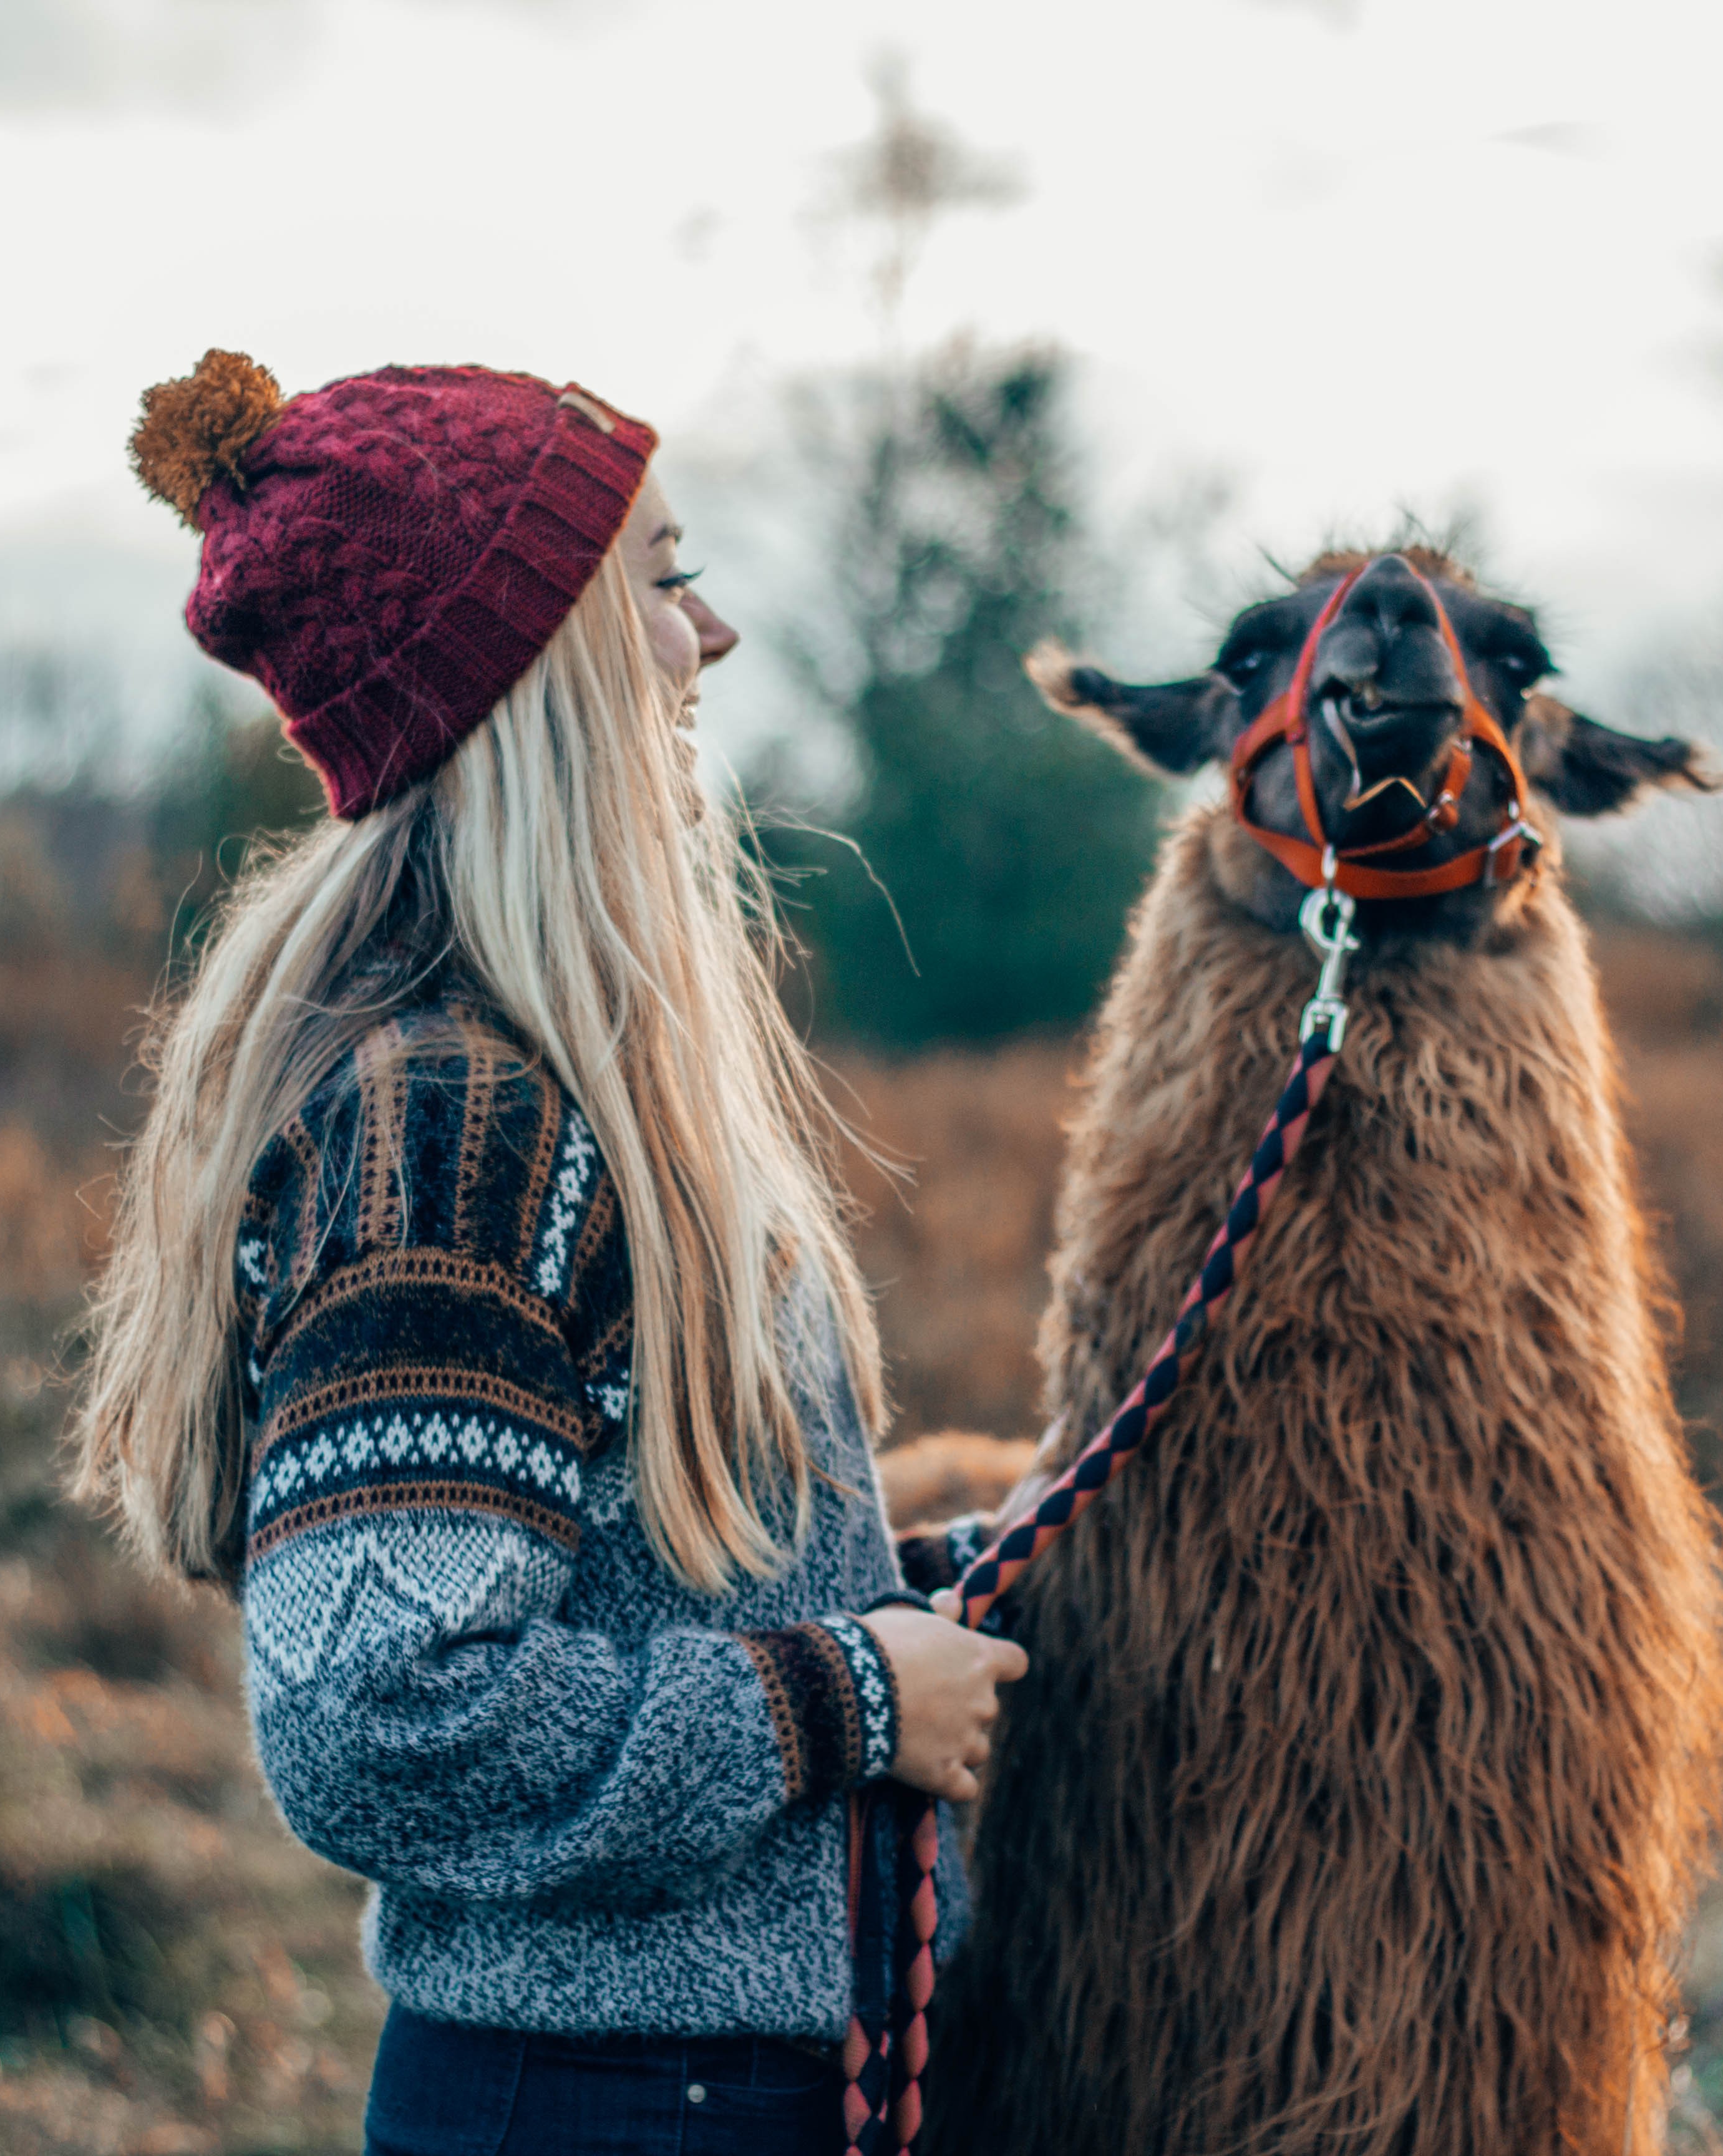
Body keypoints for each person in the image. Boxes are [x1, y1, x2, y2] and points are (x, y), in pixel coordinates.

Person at [68, 352, 1027, 2156]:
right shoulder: (452, 1128)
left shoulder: (532, 1091)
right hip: (620, 2113)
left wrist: (930, 1582)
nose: (714, 633)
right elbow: (386, 1720)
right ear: (534, 670)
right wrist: (855, 1696)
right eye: (663, 582)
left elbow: (611, 1577)